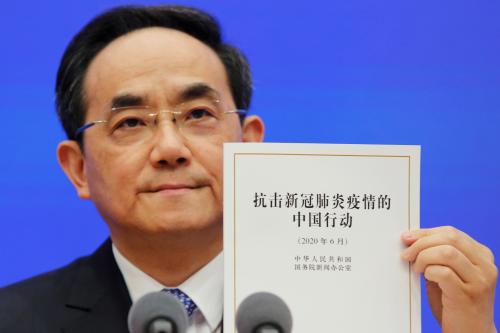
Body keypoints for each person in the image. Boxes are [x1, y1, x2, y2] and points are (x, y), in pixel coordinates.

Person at [0, 4, 496, 333]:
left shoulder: (354, 310)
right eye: (131, 122)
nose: (170, 148)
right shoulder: (14, 320)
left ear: (250, 144)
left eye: (197, 115)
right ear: (78, 168)